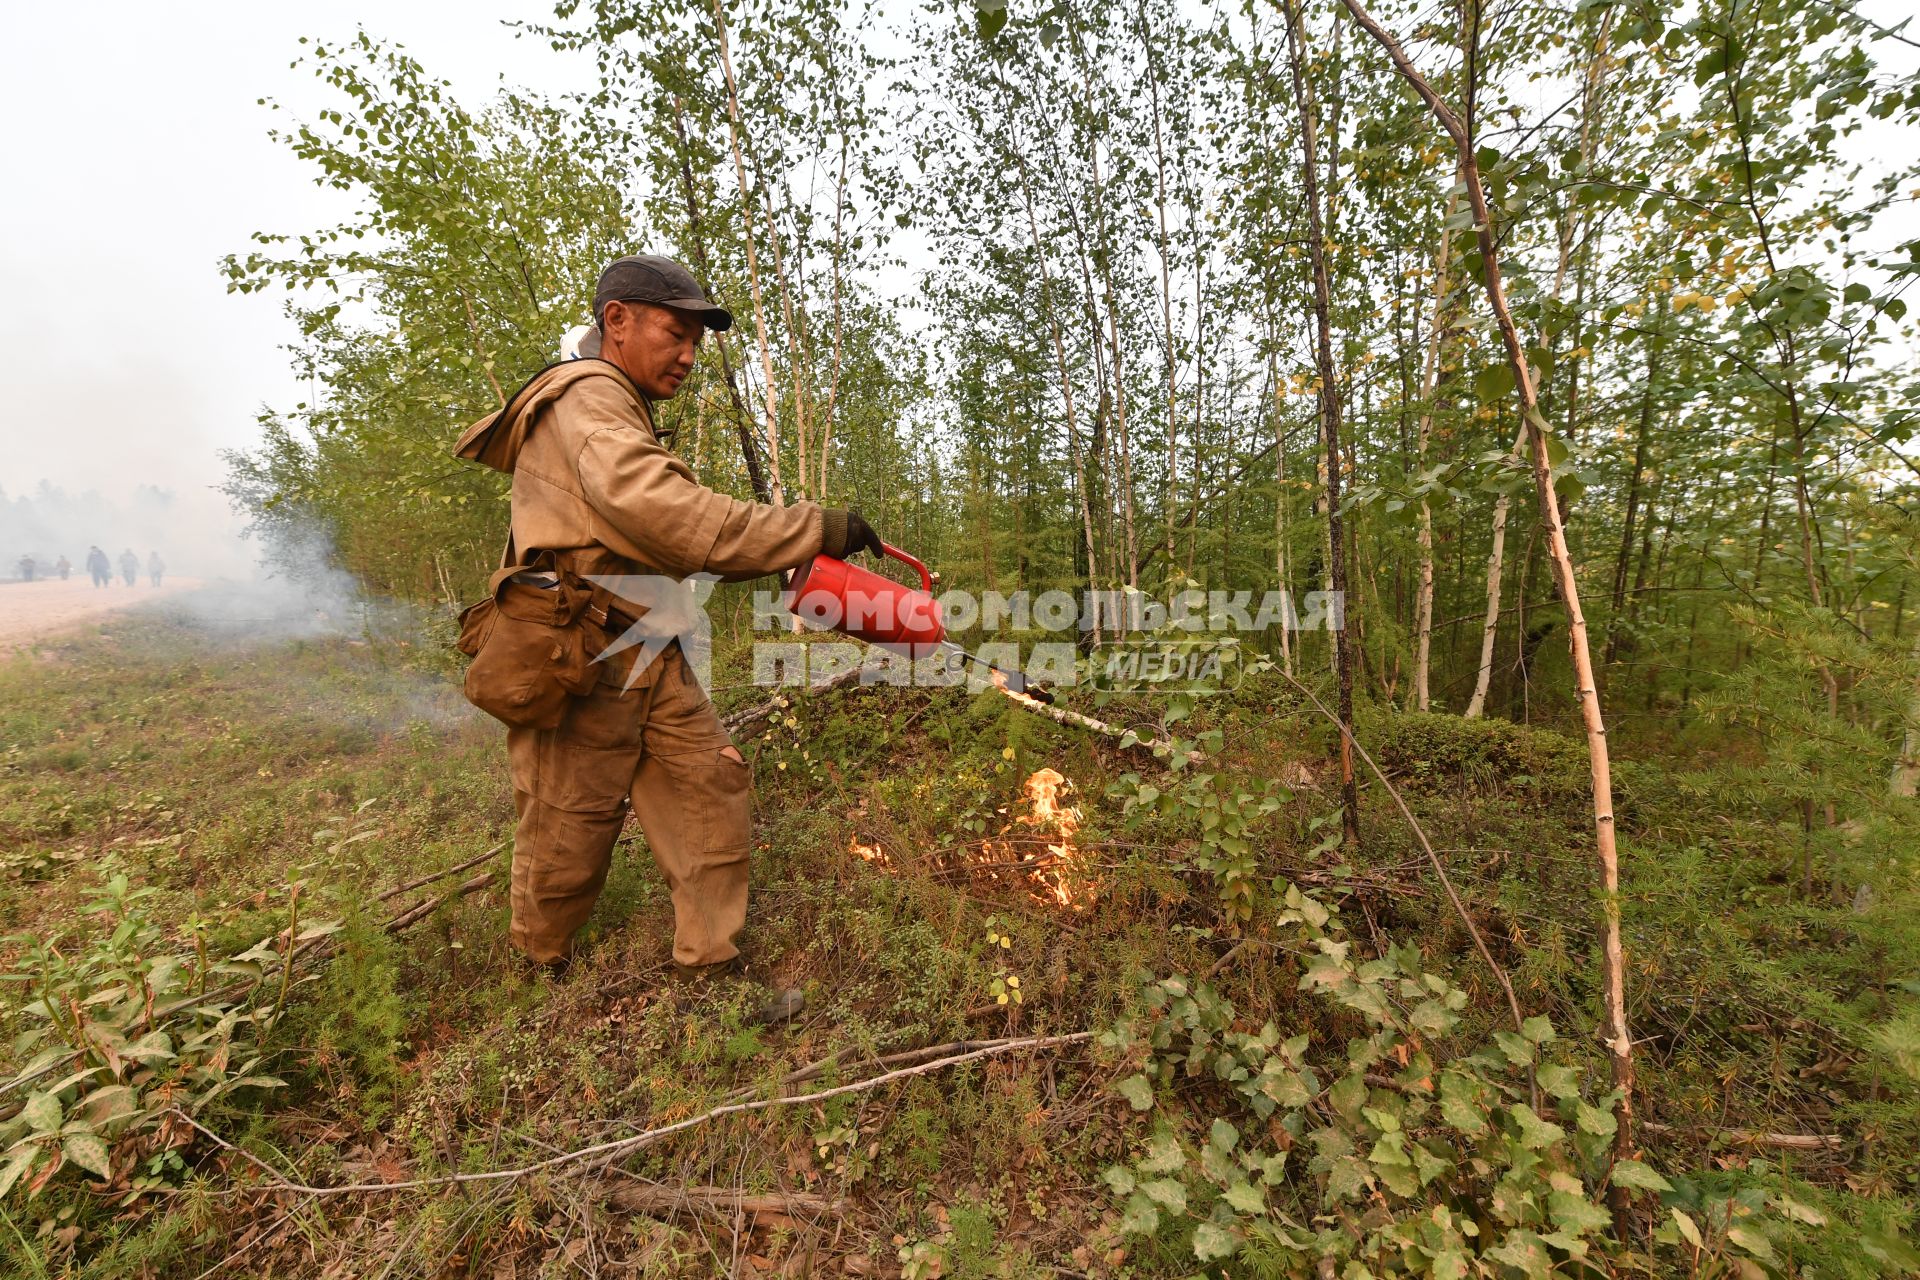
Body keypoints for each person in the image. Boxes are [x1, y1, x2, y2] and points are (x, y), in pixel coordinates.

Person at [454, 254, 885, 997]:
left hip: (647, 642)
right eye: (674, 333)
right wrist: (812, 528)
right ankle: (538, 970)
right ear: (616, 320)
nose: (688, 356)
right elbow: (674, 520)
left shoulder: (615, 402)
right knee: (569, 822)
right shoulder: (589, 401)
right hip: (584, 652)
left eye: (695, 340)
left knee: (707, 785)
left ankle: (711, 969)